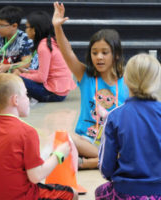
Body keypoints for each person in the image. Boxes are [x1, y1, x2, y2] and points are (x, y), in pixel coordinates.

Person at [95, 53, 161, 199]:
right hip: (160, 190)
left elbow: (105, 168)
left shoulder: (114, 116)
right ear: (156, 81)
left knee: (99, 192)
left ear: (126, 80)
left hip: (125, 190)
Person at [0, 73, 78, 200]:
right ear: (15, 100)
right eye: (26, 94)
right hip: (18, 196)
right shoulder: (27, 132)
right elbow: (36, 176)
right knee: (72, 193)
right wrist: (58, 155)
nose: (28, 99)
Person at [52, 2, 129, 169]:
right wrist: (58, 28)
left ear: (116, 55)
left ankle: (87, 163)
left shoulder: (127, 83)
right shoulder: (86, 76)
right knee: (66, 137)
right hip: (85, 140)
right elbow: (68, 53)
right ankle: (108, 158)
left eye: (104, 52)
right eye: (94, 53)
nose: (99, 57)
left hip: (114, 142)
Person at [17, 10, 76, 102]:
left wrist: (23, 75)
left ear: (34, 30)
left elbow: (41, 78)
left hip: (53, 94)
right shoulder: (52, 41)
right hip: (60, 91)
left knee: (16, 79)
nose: (26, 30)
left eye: (27, 27)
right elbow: (45, 73)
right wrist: (30, 72)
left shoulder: (43, 47)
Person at [0, 6, 33, 73]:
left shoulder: (24, 39)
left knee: (16, 71)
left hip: (20, 74)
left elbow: (26, 63)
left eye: (2, 25)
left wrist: (8, 67)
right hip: (3, 71)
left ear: (14, 26)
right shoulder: (0, 37)